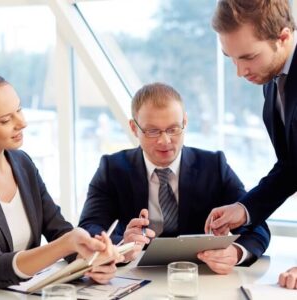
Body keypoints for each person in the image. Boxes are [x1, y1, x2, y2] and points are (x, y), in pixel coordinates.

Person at [79, 82, 270, 275]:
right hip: (132, 274)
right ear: (134, 128)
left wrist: (236, 253)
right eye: (152, 131)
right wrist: (121, 246)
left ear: (185, 123)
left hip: (199, 275)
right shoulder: (113, 168)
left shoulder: (213, 166)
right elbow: (88, 228)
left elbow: (257, 226)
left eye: (173, 129)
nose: (164, 141)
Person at [204, 0, 297, 289]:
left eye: (248, 57)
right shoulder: (274, 81)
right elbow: (293, 166)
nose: (240, 71)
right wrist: (243, 210)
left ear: (283, 37)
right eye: (230, 58)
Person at [0, 75, 122, 289]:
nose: (23, 123)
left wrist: (91, 259)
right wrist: (64, 245)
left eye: (19, 110)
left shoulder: (22, 164)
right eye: (6, 120)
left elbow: (60, 230)